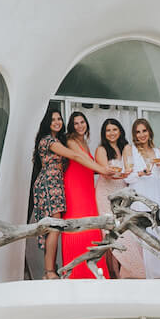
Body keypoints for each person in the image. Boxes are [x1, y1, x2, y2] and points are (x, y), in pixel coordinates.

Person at [50, 111, 114, 279]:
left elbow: (90, 165)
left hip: (87, 187)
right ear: (71, 126)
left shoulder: (85, 142)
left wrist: (110, 172)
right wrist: (101, 169)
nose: (80, 126)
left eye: (82, 122)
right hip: (74, 186)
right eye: (76, 123)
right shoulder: (71, 141)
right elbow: (78, 158)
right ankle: (76, 272)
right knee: (78, 223)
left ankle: (94, 270)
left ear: (87, 124)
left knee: (92, 224)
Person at [124, 117, 160, 277]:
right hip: (141, 193)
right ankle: (150, 274)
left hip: (158, 193)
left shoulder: (159, 152)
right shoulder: (129, 150)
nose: (141, 135)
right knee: (147, 231)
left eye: (144, 131)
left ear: (149, 132)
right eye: (138, 132)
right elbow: (126, 177)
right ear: (134, 134)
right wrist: (140, 173)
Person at [94, 118, 139, 278]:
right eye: (108, 130)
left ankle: (126, 270)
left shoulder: (125, 148)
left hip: (122, 191)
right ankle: (111, 272)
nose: (111, 133)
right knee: (109, 230)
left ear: (120, 131)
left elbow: (130, 169)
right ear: (104, 134)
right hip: (106, 193)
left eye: (114, 129)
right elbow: (106, 172)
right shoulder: (101, 149)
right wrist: (122, 173)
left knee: (125, 231)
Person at [27, 109, 67, 278]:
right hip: (48, 184)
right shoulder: (48, 140)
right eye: (53, 120)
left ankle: (48, 270)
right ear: (47, 123)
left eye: (59, 119)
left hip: (55, 184)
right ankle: (50, 271)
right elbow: (71, 154)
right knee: (54, 226)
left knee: (52, 227)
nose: (57, 122)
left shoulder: (57, 139)